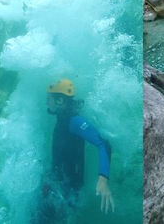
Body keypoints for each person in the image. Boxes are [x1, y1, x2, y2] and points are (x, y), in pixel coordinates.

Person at [36, 79, 115, 222]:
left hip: (68, 191)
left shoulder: (74, 121)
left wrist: (103, 180)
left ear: (60, 101)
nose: (47, 103)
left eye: (49, 99)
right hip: (58, 182)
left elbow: (104, 144)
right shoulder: (63, 116)